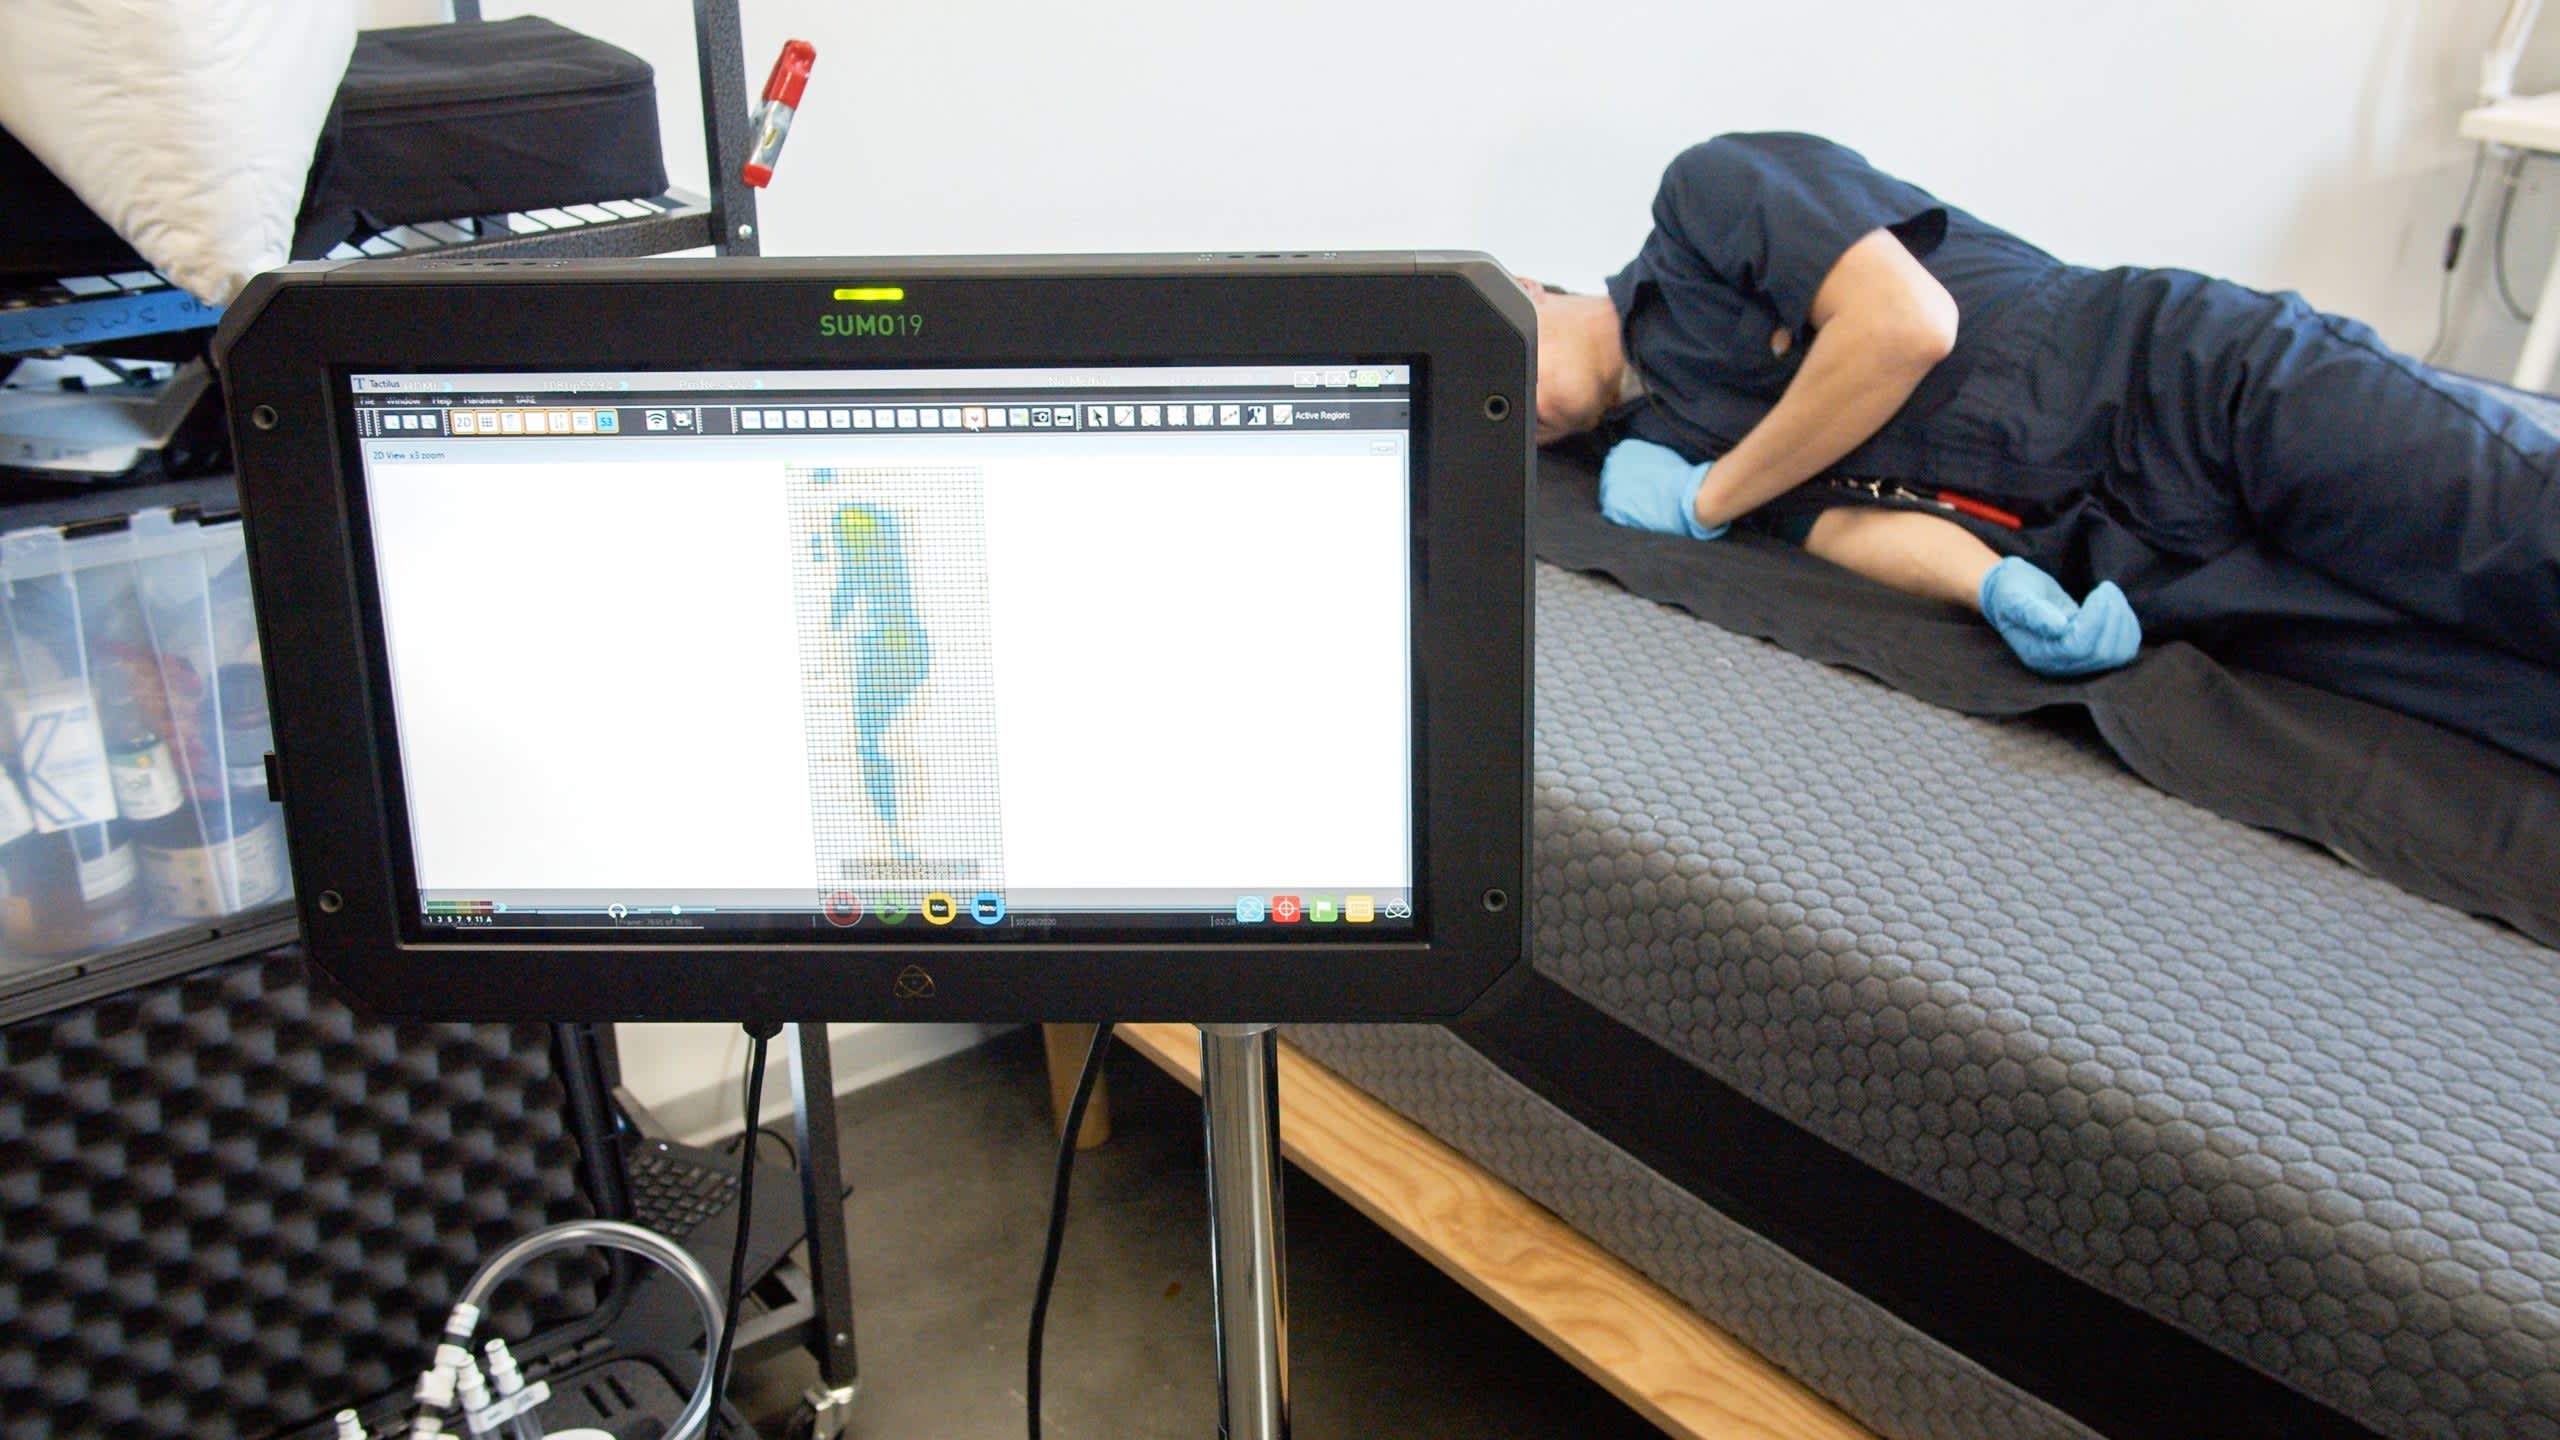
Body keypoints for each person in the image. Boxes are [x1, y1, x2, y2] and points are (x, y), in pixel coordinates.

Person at [1536, 132, 2560, 766]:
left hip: (2198, 390)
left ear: (1523, 288)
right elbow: (1834, 523)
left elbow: (1904, 324)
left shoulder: (1704, 201)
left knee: (2526, 545)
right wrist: (1990, 588)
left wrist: (1712, 500)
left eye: (1487, 382)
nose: (1511, 420)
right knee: (2496, 705)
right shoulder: (1657, 444)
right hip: (2149, 565)